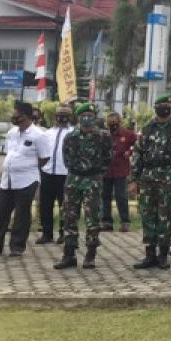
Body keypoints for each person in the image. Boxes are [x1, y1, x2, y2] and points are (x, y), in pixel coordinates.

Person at [130, 94, 171, 270]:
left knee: (165, 215)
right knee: (147, 215)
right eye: (160, 105)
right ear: (155, 108)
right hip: (148, 177)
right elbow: (137, 154)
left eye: (166, 105)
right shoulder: (147, 128)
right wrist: (133, 180)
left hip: (169, 177)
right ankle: (149, 254)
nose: (163, 108)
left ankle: (163, 255)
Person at [53, 102, 112, 270]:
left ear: (94, 118)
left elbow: (108, 159)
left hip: (93, 180)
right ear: (78, 118)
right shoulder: (70, 137)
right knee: (69, 217)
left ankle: (90, 254)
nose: (86, 120)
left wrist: (95, 172)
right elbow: (66, 159)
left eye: (90, 117)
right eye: (83, 117)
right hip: (73, 180)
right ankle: (69, 254)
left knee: (92, 218)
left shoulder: (103, 136)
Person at [0, 102, 48, 257]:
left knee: (22, 214)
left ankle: (17, 247)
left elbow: (44, 158)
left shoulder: (38, 135)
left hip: (27, 180)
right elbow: (10, 152)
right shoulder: (12, 133)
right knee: (1, 213)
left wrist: (27, 166)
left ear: (26, 116)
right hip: (7, 180)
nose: (14, 116)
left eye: (17, 113)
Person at [35, 103, 73, 245]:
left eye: (64, 116)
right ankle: (47, 233)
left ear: (69, 117)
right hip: (47, 172)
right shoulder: (47, 133)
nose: (61, 118)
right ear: (55, 117)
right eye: (59, 115)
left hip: (65, 174)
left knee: (65, 205)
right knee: (46, 204)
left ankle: (64, 233)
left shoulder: (73, 133)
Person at [101, 112, 137, 233]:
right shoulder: (104, 135)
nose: (113, 124)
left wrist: (130, 151)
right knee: (105, 196)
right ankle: (106, 222)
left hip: (121, 171)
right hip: (106, 171)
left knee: (121, 196)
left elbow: (138, 144)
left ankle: (125, 222)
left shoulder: (127, 134)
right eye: (110, 122)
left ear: (119, 121)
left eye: (115, 122)